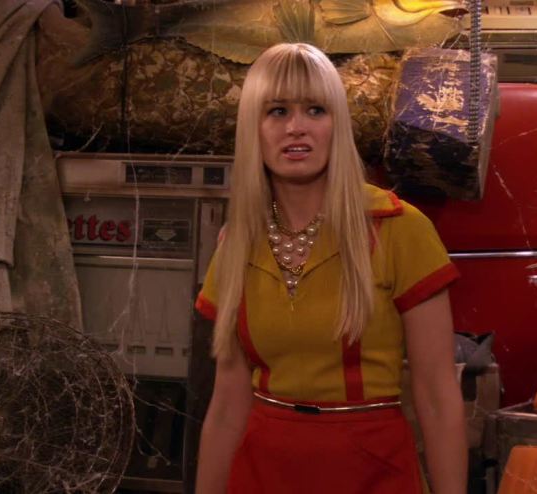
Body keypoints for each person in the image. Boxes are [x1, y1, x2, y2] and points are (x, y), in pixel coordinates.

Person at [194, 42, 466, 494]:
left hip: (372, 470)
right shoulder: (236, 243)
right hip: (262, 472)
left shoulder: (399, 229)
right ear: (252, 129)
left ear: (337, 123)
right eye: (277, 111)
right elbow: (226, 408)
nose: (296, 127)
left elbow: (437, 396)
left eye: (315, 110)